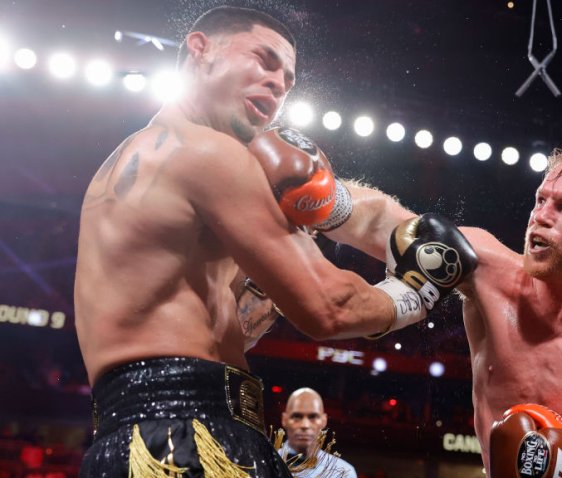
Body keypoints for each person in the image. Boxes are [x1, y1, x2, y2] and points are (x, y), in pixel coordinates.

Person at [73, 6, 475, 477]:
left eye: (288, 78)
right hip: (187, 435)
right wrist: (415, 292)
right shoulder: (208, 152)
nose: (279, 83)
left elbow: (232, 325)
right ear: (199, 51)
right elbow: (329, 307)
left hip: (138, 434)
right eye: (264, 60)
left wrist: (284, 259)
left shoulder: (136, 160)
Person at [325, 140, 562, 477]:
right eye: (541, 199)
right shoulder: (486, 270)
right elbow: (383, 224)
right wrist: (320, 194)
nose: (541, 216)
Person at [278, 388, 357, 478]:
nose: (305, 425)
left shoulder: (344, 472)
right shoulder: (264, 464)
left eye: (313, 417)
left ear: (324, 420)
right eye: (297, 416)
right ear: (284, 419)